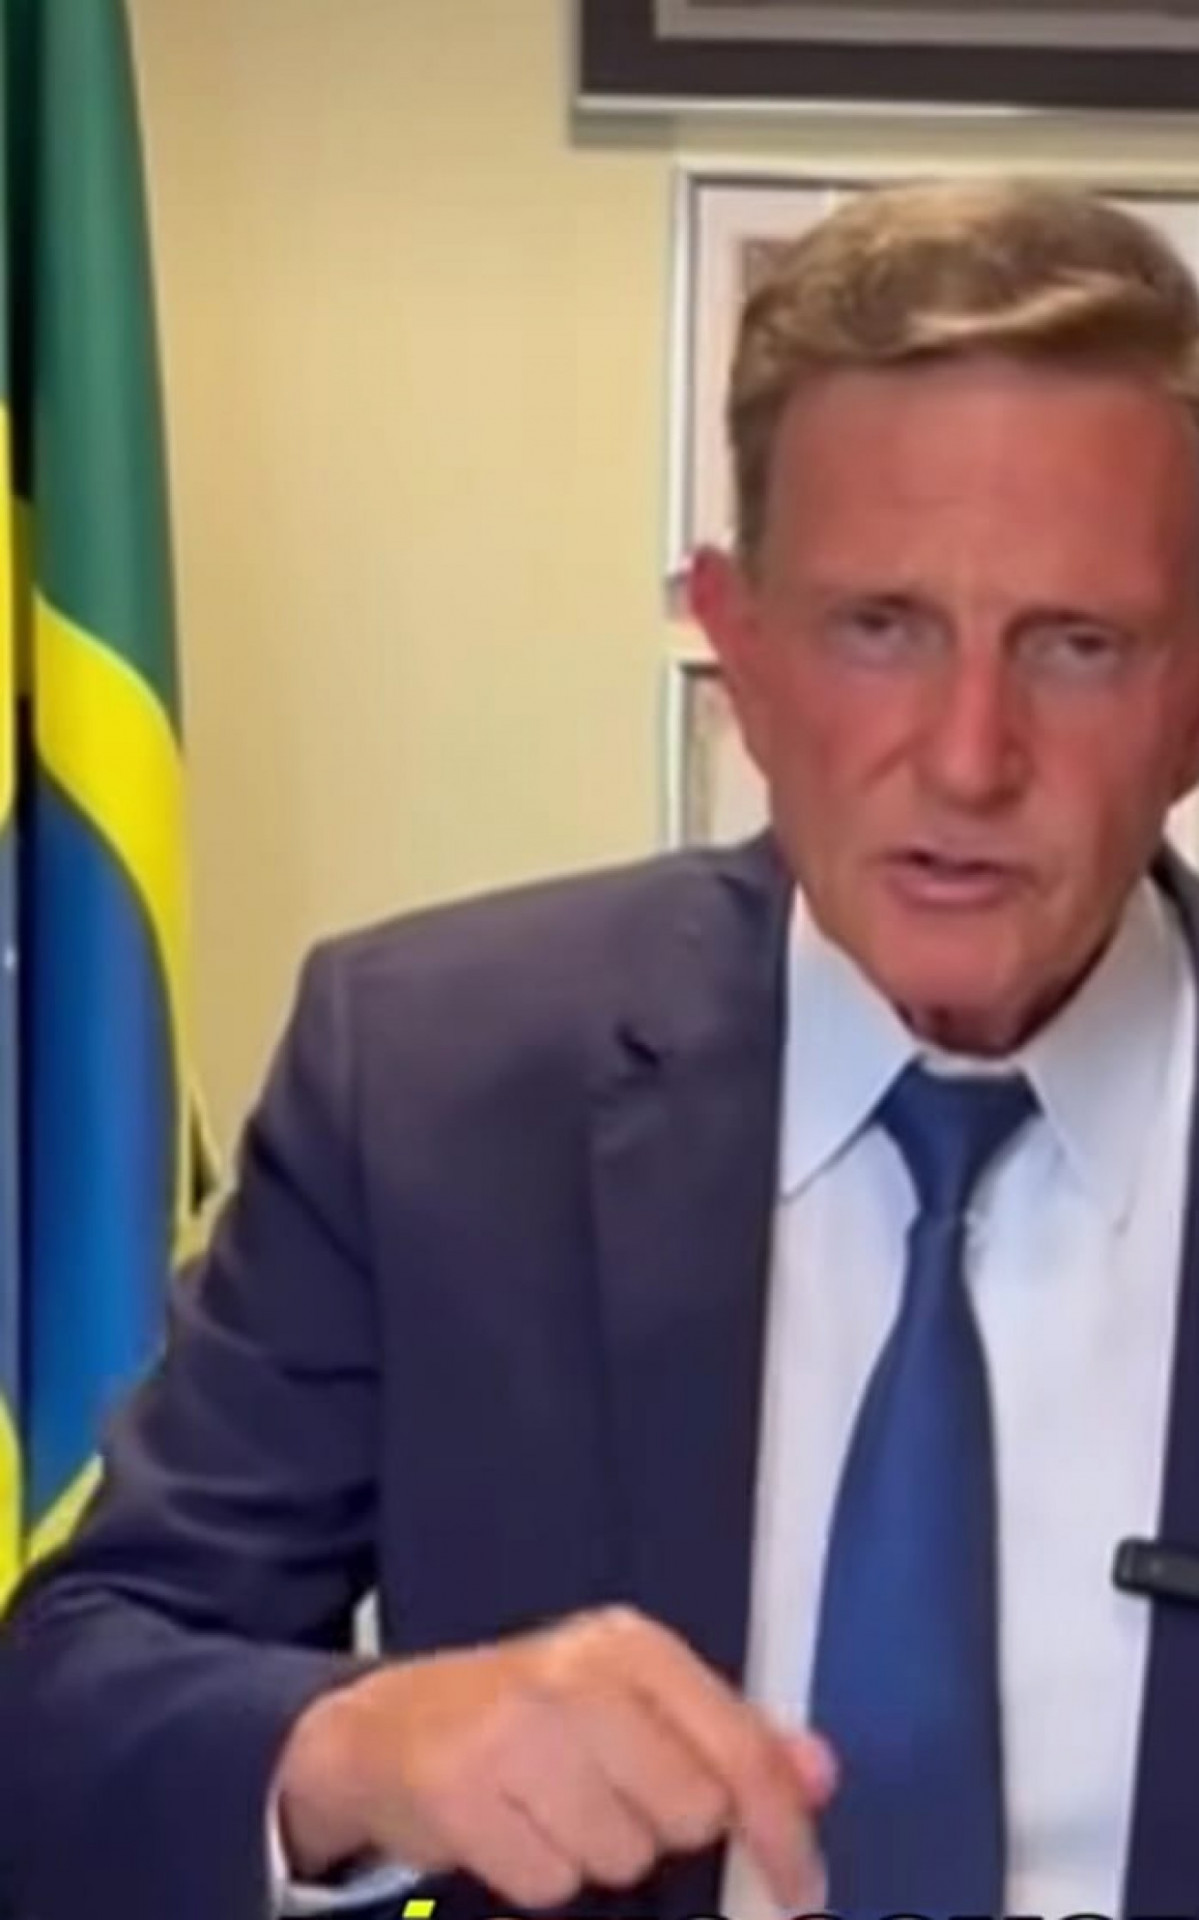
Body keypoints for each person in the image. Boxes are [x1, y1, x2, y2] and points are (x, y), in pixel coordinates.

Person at [5, 175, 1199, 1920]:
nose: (967, 757)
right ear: (741, 648)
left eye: (1077, 647)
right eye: (880, 628)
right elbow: (64, 1717)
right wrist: (357, 1746)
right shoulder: (431, 1085)